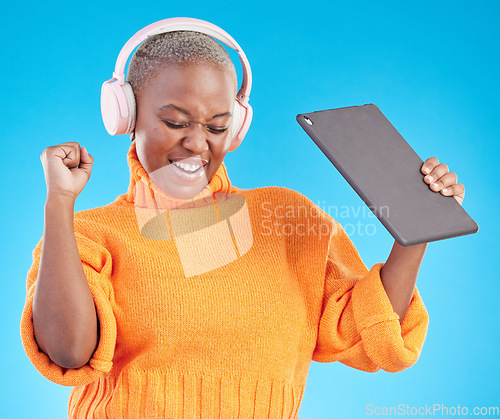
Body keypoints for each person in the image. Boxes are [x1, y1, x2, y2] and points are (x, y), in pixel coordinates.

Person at [20, 18, 465, 418]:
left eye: (217, 126)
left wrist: (416, 225)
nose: (198, 144)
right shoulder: (91, 234)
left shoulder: (288, 218)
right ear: (127, 115)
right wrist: (59, 202)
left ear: (236, 128)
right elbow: (70, 352)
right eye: (176, 122)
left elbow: (367, 335)